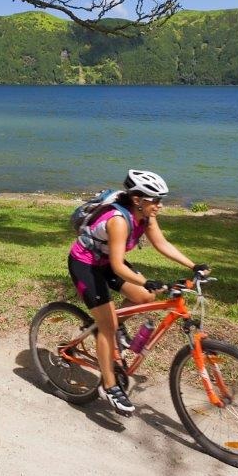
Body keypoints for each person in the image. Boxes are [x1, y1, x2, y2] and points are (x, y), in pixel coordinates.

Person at [66, 168, 208, 416]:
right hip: (86, 264)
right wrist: (145, 280)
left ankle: (114, 325)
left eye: (161, 200)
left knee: (145, 297)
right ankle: (110, 385)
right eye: (155, 200)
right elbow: (119, 266)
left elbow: (161, 243)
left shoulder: (146, 216)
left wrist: (193, 265)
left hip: (106, 261)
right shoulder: (119, 221)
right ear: (137, 199)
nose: (160, 205)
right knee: (107, 326)